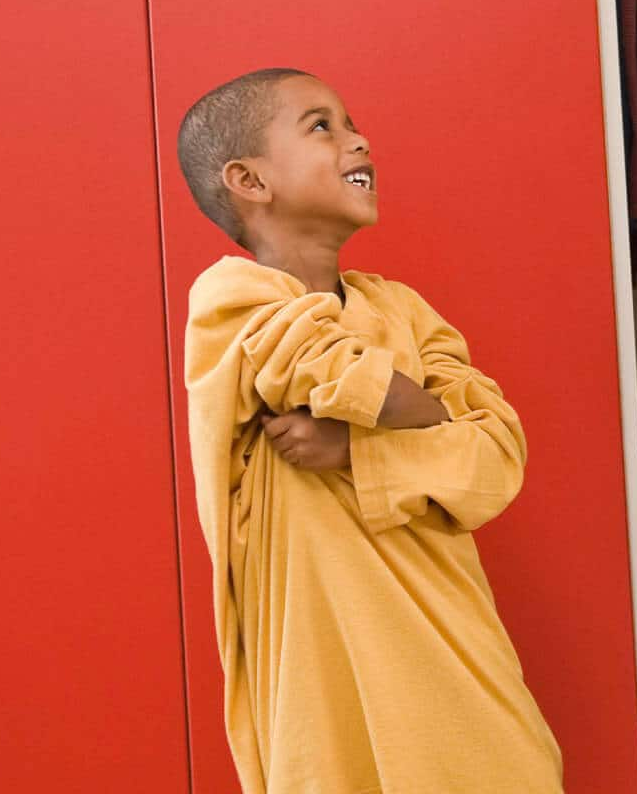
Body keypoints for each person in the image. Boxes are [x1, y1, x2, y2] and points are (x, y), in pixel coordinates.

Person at [177, 68, 562, 794]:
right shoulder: (233, 298)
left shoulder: (406, 311)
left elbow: (497, 453)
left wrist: (354, 449)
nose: (360, 138)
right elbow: (333, 371)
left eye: (351, 121)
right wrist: (428, 416)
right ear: (249, 180)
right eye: (322, 125)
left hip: (452, 651)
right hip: (323, 678)